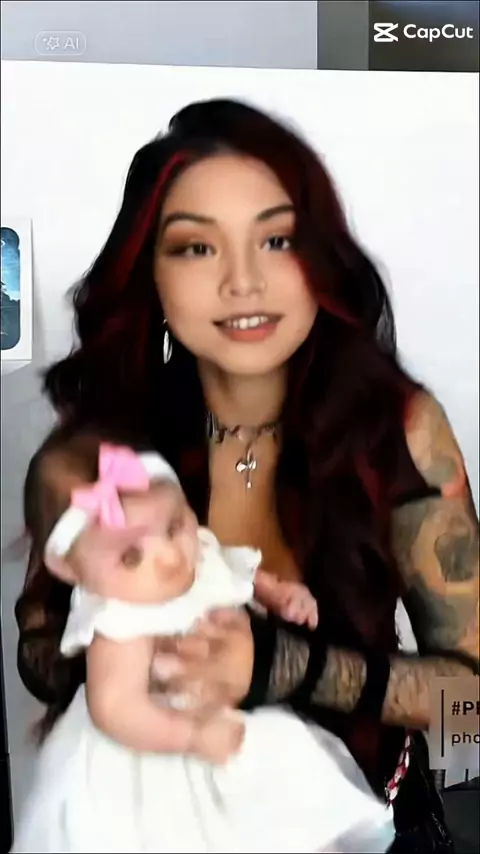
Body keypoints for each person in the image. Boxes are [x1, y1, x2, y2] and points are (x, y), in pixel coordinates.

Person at [15, 99, 479, 852]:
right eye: (197, 247)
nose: (242, 282)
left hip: (364, 829)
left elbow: (473, 706)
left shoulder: (400, 430)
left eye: (278, 239)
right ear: (150, 274)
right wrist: (129, 659)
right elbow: (38, 646)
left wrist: (276, 666)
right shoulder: (111, 445)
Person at [13, 433, 394, 854]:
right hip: (156, 760)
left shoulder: (197, 553)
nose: (170, 557)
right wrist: (191, 737)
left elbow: (234, 568)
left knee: (287, 818)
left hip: (232, 723)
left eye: (175, 526)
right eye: (131, 556)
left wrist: (279, 594)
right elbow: (116, 709)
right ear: (70, 567)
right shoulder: (118, 621)